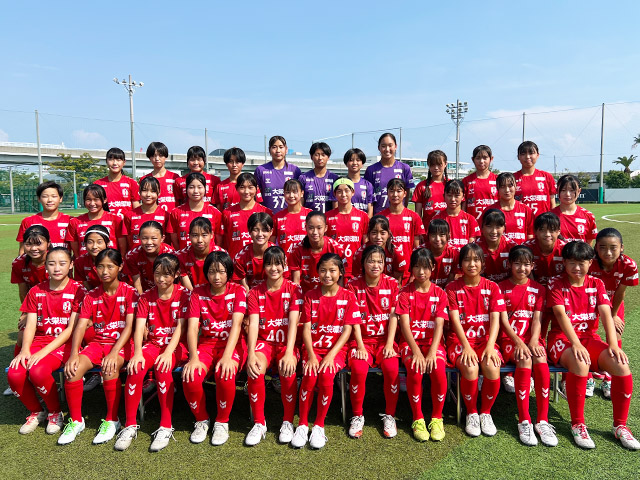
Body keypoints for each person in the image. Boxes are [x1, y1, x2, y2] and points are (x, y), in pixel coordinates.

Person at [546, 241, 638, 450]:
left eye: (582, 263)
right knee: (580, 362)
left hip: (589, 338)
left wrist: (613, 344)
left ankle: (620, 426)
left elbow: (606, 313)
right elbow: (560, 315)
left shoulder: (596, 283)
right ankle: (577, 424)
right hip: (561, 339)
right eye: (572, 263)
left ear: (590, 263)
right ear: (564, 263)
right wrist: (575, 344)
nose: (577, 268)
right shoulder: (555, 283)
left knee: (621, 364)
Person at [59, 248, 137, 445]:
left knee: (110, 367)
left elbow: (129, 327)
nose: (105, 271)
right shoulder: (91, 295)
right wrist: (74, 354)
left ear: (120, 267)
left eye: (110, 266)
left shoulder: (130, 292)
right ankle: (76, 421)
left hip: (122, 344)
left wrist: (113, 352)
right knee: (73, 370)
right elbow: (80, 326)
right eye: (100, 267)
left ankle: (112, 420)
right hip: (97, 343)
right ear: (95, 269)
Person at [115, 254, 189, 452]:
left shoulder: (184, 295)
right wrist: (138, 352)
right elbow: (139, 326)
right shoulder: (146, 296)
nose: (161, 279)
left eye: (166, 274)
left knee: (162, 368)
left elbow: (182, 328)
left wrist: (168, 352)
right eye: (157, 274)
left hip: (177, 346)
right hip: (154, 344)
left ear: (176, 274)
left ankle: (165, 426)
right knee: (135, 368)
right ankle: (130, 425)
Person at [7, 247, 85, 435]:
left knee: (38, 370)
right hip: (40, 341)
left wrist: (42, 353)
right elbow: (30, 325)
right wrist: (25, 350)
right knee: (14, 374)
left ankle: (55, 412)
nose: (57, 268)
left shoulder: (78, 290)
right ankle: (36, 411)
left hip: (65, 343)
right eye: (52, 263)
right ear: (46, 267)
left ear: (71, 265)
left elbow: (70, 330)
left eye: (62, 263)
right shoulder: (36, 291)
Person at [291, 253, 360, 449]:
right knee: (309, 376)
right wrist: (312, 355)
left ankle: (319, 426)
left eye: (332, 270)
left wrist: (330, 355)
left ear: (340, 272)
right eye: (322, 270)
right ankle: (302, 424)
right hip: (312, 349)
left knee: (326, 376)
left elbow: (347, 330)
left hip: (335, 351)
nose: (327, 275)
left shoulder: (348, 296)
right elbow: (306, 328)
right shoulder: (310, 296)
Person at [182, 251, 247, 446]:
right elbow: (193, 328)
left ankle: (222, 421)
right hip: (207, 345)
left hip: (232, 345)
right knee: (191, 376)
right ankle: (202, 420)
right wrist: (193, 358)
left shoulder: (238, 291)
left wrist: (227, 357)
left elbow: (237, 325)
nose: (216, 277)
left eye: (221, 271)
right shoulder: (197, 292)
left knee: (224, 374)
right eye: (211, 272)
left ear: (229, 273)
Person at [498, 246, 558, 447]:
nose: (521, 268)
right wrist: (518, 342)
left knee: (540, 357)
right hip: (509, 341)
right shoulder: (500, 287)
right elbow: (503, 321)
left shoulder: (539, 289)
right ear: (509, 264)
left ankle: (542, 421)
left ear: (532, 266)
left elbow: (537, 318)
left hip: (531, 339)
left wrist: (533, 340)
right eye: (517, 263)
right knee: (524, 358)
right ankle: (524, 420)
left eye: (526, 264)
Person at [244, 246, 303, 446]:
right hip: (265, 343)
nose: (273, 268)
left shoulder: (294, 289)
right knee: (255, 370)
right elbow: (253, 324)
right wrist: (251, 354)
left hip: (286, 343)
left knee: (287, 369)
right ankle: (259, 423)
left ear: (285, 265)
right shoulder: (254, 292)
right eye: (269, 264)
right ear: (264, 267)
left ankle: (287, 422)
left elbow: (294, 322)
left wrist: (289, 352)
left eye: (278, 263)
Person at [446, 242, 505, 438]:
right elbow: (454, 320)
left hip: (485, 341)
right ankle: (471, 412)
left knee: (492, 366)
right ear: (460, 264)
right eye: (467, 260)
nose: (472, 264)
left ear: (483, 264)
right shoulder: (452, 288)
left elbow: (496, 320)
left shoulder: (492, 287)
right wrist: (466, 347)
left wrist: (490, 346)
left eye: (476, 260)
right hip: (460, 341)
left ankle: (485, 413)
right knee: (470, 367)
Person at [346, 245, 400, 439]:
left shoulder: (392, 284)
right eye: (371, 261)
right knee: (359, 368)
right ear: (363, 263)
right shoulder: (353, 285)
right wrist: (360, 345)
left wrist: (389, 343)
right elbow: (353, 318)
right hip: (361, 341)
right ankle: (357, 415)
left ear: (385, 264)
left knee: (392, 368)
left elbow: (394, 316)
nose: (375, 265)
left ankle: (390, 415)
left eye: (379, 261)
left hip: (385, 340)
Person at [397, 248, 448, 442]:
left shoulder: (440, 293)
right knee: (415, 369)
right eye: (417, 267)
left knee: (438, 369)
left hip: (432, 343)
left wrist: (433, 352)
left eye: (425, 267)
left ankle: (437, 418)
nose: (421, 272)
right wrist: (417, 352)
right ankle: (417, 418)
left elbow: (439, 325)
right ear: (411, 268)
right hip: (411, 343)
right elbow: (404, 325)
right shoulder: (404, 293)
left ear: (433, 268)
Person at [589, 228, 638, 398]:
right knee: (587, 333)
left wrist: (613, 315)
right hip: (589, 300)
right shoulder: (590, 262)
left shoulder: (628, 265)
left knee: (615, 334)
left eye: (613, 247)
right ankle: (588, 376)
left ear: (621, 247)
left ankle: (609, 378)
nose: (608, 252)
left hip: (613, 301)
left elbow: (620, 292)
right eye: (602, 247)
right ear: (596, 247)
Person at [218, 172, 271, 261]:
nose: (246, 192)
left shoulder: (266, 212)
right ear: (236, 188)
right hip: (234, 262)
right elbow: (221, 240)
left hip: (260, 262)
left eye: (250, 187)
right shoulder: (227, 213)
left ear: (256, 189)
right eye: (242, 187)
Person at [380, 179, 425, 283]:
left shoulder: (414, 217)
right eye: (391, 191)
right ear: (387, 193)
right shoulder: (380, 217)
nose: (395, 194)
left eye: (398, 191)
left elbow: (417, 248)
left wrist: (414, 273)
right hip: (384, 270)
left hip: (407, 271)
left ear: (405, 193)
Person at [325, 178, 368, 283]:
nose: (343, 194)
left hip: (356, 268)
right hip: (335, 269)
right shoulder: (327, 217)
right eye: (339, 191)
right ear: (334, 194)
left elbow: (366, 244)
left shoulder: (363, 216)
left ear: (353, 192)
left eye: (346, 190)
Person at [289, 212, 344, 293]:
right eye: (311, 228)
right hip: (306, 295)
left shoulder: (335, 248)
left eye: (319, 228)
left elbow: (341, 277)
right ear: (305, 227)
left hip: (331, 294)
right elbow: (296, 281)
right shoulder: (297, 249)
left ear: (325, 228)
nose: (315, 232)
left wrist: (338, 297)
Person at [65, 184, 125, 257]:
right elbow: (76, 252)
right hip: (85, 263)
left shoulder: (116, 219)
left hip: (109, 262)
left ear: (105, 200)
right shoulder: (75, 222)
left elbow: (122, 248)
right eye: (88, 199)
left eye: (96, 199)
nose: (92, 203)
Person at [167, 172, 222, 250]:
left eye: (199, 187)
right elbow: (175, 241)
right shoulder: (176, 213)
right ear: (186, 189)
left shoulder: (215, 213)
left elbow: (218, 241)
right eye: (191, 187)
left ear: (205, 189)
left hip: (209, 256)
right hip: (185, 256)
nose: (196, 191)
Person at [365, 132, 414, 214]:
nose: (387, 149)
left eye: (390, 145)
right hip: (378, 218)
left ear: (395, 146)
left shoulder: (405, 168)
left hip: (399, 216)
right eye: (383, 146)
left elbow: (407, 194)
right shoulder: (371, 170)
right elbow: (369, 198)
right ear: (379, 148)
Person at [16, 181, 70, 253]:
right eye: (45, 196)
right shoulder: (28, 221)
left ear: (60, 198)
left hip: (61, 260)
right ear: (39, 199)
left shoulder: (70, 220)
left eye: (54, 196)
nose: (50, 200)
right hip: (36, 260)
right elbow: (23, 249)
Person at [352, 215, 408, 284]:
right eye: (374, 233)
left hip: (389, 288)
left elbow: (398, 282)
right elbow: (358, 281)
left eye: (383, 233)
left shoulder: (396, 253)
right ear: (368, 234)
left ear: (389, 234)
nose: (378, 237)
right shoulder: (360, 254)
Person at [123, 221, 175, 293]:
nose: (149, 242)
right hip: (144, 292)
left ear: (162, 238)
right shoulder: (132, 255)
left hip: (167, 292)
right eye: (144, 238)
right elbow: (137, 283)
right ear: (139, 237)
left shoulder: (171, 254)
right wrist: (141, 298)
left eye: (154, 238)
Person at [254, 136, 301, 214]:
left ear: (286, 149)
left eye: (281, 147)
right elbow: (256, 196)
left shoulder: (295, 170)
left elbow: (300, 197)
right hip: (267, 217)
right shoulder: (261, 170)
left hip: (288, 216)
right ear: (269, 150)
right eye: (274, 147)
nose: (278, 150)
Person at [121, 176, 169, 251]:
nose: (148, 194)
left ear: (159, 193)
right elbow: (128, 241)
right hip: (136, 257)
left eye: (153, 191)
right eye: (144, 190)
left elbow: (168, 241)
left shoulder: (166, 215)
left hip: (160, 256)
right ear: (139, 192)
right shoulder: (129, 215)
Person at [177, 217, 226, 291]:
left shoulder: (221, 255)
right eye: (195, 235)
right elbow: (190, 291)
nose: (200, 240)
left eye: (204, 235)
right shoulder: (181, 256)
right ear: (189, 236)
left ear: (211, 235)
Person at [272, 179, 312, 267]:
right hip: (285, 265)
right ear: (283, 194)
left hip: (306, 264)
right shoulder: (277, 217)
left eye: (295, 192)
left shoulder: (310, 215)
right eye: (288, 192)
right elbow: (272, 244)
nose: (291, 195)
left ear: (302, 193)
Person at [233, 212, 277, 290]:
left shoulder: (278, 255)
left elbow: (280, 284)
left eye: (264, 230)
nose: (260, 234)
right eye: (255, 230)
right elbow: (245, 289)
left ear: (271, 231)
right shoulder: (240, 258)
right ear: (249, 231)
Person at [488, 172, 534, 245]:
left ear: (516, 186)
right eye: (502, 186)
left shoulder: (526, 210)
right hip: (499, 251)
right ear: (497, 188)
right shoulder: (490, 211)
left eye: (510, 186)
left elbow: (530, 235)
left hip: (520, 251)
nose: (507, 190)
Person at [94, 147, 141, 218]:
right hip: (106, 223)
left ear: (124, 162)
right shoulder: (98, 184)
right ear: (106, 161)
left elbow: (136, 206)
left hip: (126, 223)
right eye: (111, 159)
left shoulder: (132, 183)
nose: (115, 163)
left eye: (118, 160)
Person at [432, 179, 480, 247]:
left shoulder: (470, 219)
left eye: (457, 196)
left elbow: (472, 246)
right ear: (444, 196)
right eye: (449, 195)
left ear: (463, 197)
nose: (453, 199)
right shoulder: (437, 219)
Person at [551, 174, 598, 243]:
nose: (567, 194)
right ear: (557, 191)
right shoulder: (550, 216)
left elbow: (589, 243)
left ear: (579, 191)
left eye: (572, 190)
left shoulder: (588, 216)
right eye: (563, 190)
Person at [514, 141, 556, 215]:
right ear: (518, 157)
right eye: (523, 154)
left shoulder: (547, 177)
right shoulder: (512, 178)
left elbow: (553, 204)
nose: (527, 157)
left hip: (543, 221)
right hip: (521, 220)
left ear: (537, 155)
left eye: (531, 153)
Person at [476, 209, 517, 283]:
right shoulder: (474, 248)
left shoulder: (512, 247)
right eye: (489, 226)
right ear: (482, 227)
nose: (494, 231)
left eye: (498, 227)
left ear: (504, 227)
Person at [412, 150, 448, 230]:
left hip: (447, 231)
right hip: (427, 231)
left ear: (445, 164)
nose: (436, 168)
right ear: (428, 165)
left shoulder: (451, 185)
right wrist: (419, 231)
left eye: (439, 164)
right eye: (432, 165)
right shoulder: (421, 186)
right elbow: (418, 214)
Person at [299, 142, 339, 213]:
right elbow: (300, 204)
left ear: (328, 157)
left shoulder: (335, 179)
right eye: (317, 155)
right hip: (309, 218)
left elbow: (336, 205)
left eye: (323, 155)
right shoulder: (303, 178)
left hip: (328, 219)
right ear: (311, 157)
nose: (320, 158)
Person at [141, 141, 181, 213]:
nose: (157, 159)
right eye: (153, 156)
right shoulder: (144, 179)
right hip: (153, 218)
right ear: (149, 158)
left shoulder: (175, 177)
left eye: (160, 155)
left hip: (172, 217)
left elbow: (181, 200)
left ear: (166, 157)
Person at [418, 219, 459, 288]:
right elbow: (414, 278)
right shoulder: (419, 252)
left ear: (448, 236)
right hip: (424, 289)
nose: (437, 239)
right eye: (433, 235)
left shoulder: (455, 253)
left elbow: (454, 278)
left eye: (442, 235)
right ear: (428, 236)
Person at [462, 145, 498, 220]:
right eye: (478, 158)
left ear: (491, 159)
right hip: (472, 224)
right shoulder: (466, 181)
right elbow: (463, 205)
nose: (481, 161)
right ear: (473, 159)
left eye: (485, 158)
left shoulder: (497, 180)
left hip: (493, 223)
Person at [73, 225, 111, 291]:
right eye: (90, 242)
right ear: (85, 244)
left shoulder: (114, 260)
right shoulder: (80, 261)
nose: (94, 246)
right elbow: (82, 284)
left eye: (99, 242)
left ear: (107, 243)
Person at [342, 148, 373, 216]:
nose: (354, 163)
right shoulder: (341, 183)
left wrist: (368, 221)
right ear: (346, 163)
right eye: (351, 160)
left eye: (358, 160)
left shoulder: (368, 185)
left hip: (363, 221)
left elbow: (370, 208)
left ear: (362, 163)